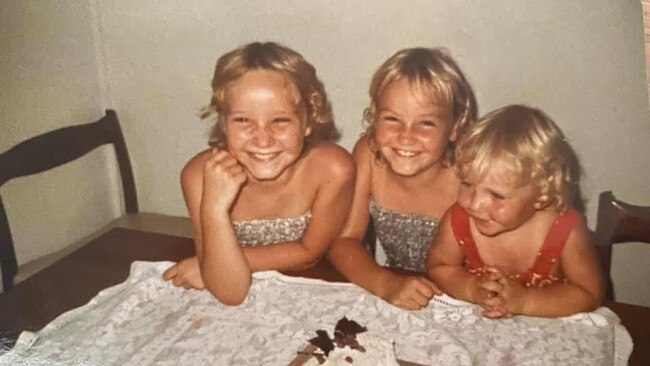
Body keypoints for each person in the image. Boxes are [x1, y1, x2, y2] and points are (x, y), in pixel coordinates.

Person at [163, 42, 355, 305]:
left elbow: (309, 253)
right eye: (243, 120)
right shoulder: (199, 176)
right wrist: (215, 208)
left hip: (316, 292)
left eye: (280, 120)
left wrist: (211, 265)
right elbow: (231, 293)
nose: (263, 140)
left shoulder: (333, 168)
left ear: (308, 121)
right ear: (222, 122)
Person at [328, 47, 478, 310]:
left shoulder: (470, 173)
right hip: (398, 290)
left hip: (465, 298)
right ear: (374, 119)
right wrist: (387, 284)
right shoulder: (369, 155)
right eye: (392, 119)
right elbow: (343, 242)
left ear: (454, 128)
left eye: (426, 123)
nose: (406, 136)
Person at [426, 105, 603, 318]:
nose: (474, 204)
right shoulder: (459, 220)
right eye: (467, 184)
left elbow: (589, 293)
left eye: (497, 195)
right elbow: (439, 267)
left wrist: (526, 301)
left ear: (542, 195)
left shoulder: (565, 230)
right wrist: (472, 288)